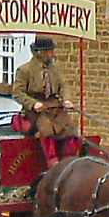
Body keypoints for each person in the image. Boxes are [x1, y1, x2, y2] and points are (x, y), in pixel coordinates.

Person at [12, 36, 80, 167]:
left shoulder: (55, 69)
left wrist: (66, 100)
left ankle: (69, 158)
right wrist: (33, 104)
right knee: (46, 127)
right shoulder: (25, 70)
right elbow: (17, 93)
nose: (53, 55)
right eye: (50, 51)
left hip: (55, 106)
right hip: (36, 110)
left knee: (70, 128)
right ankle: (52, 160)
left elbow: (63, 86)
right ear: (41, 53)